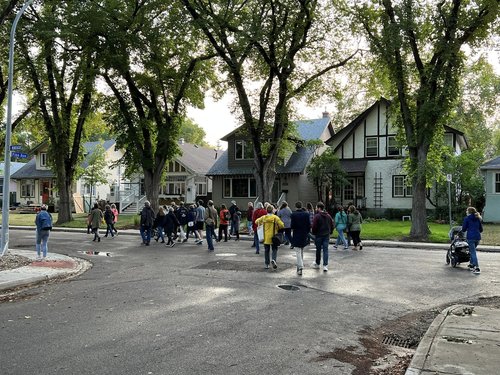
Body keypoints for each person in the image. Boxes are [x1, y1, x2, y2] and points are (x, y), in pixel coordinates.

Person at [255, 205, 284, 270]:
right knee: (274, 249)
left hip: (266, 237)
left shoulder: (264, 217)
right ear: (272, 210)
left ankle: (267, 264)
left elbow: (256, 221)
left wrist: (261, 224)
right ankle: (273, 260)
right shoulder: (275, 218)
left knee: (266, 251)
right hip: (274, 237)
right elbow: (282, 225)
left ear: (266, 210)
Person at [311, 202, 334, 272]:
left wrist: (314, 232)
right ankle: (325, 265)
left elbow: (314, 226)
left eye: (316, 207)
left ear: (319, 208)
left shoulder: (317, 216)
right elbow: (332, 224)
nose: (315, 209)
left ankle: (318, 263)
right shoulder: (328, 216)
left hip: (318, 235)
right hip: (326, 235)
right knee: (325, 250)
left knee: (318, 250)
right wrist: (331, 231)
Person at [290, 201, 310, 276]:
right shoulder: (306, 214)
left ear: (295, 206)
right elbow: (309, 225)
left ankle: (300, 267)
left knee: (298, 251)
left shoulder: (293, 214)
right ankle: (299, 266)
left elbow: (292, 226)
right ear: (301, 206)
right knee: (301, 250)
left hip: (296, 233)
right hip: (304, 234)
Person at [462, 207, 483, 274]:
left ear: (469, 212)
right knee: (472, 251)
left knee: (473, 252)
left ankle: (477, 267)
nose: (466, 212)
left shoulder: (467, 219)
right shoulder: (478, 218)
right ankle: (472, 264)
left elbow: (464, 229)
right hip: (477, 237)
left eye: (467, 211)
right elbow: (481, 230)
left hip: (470, 238)